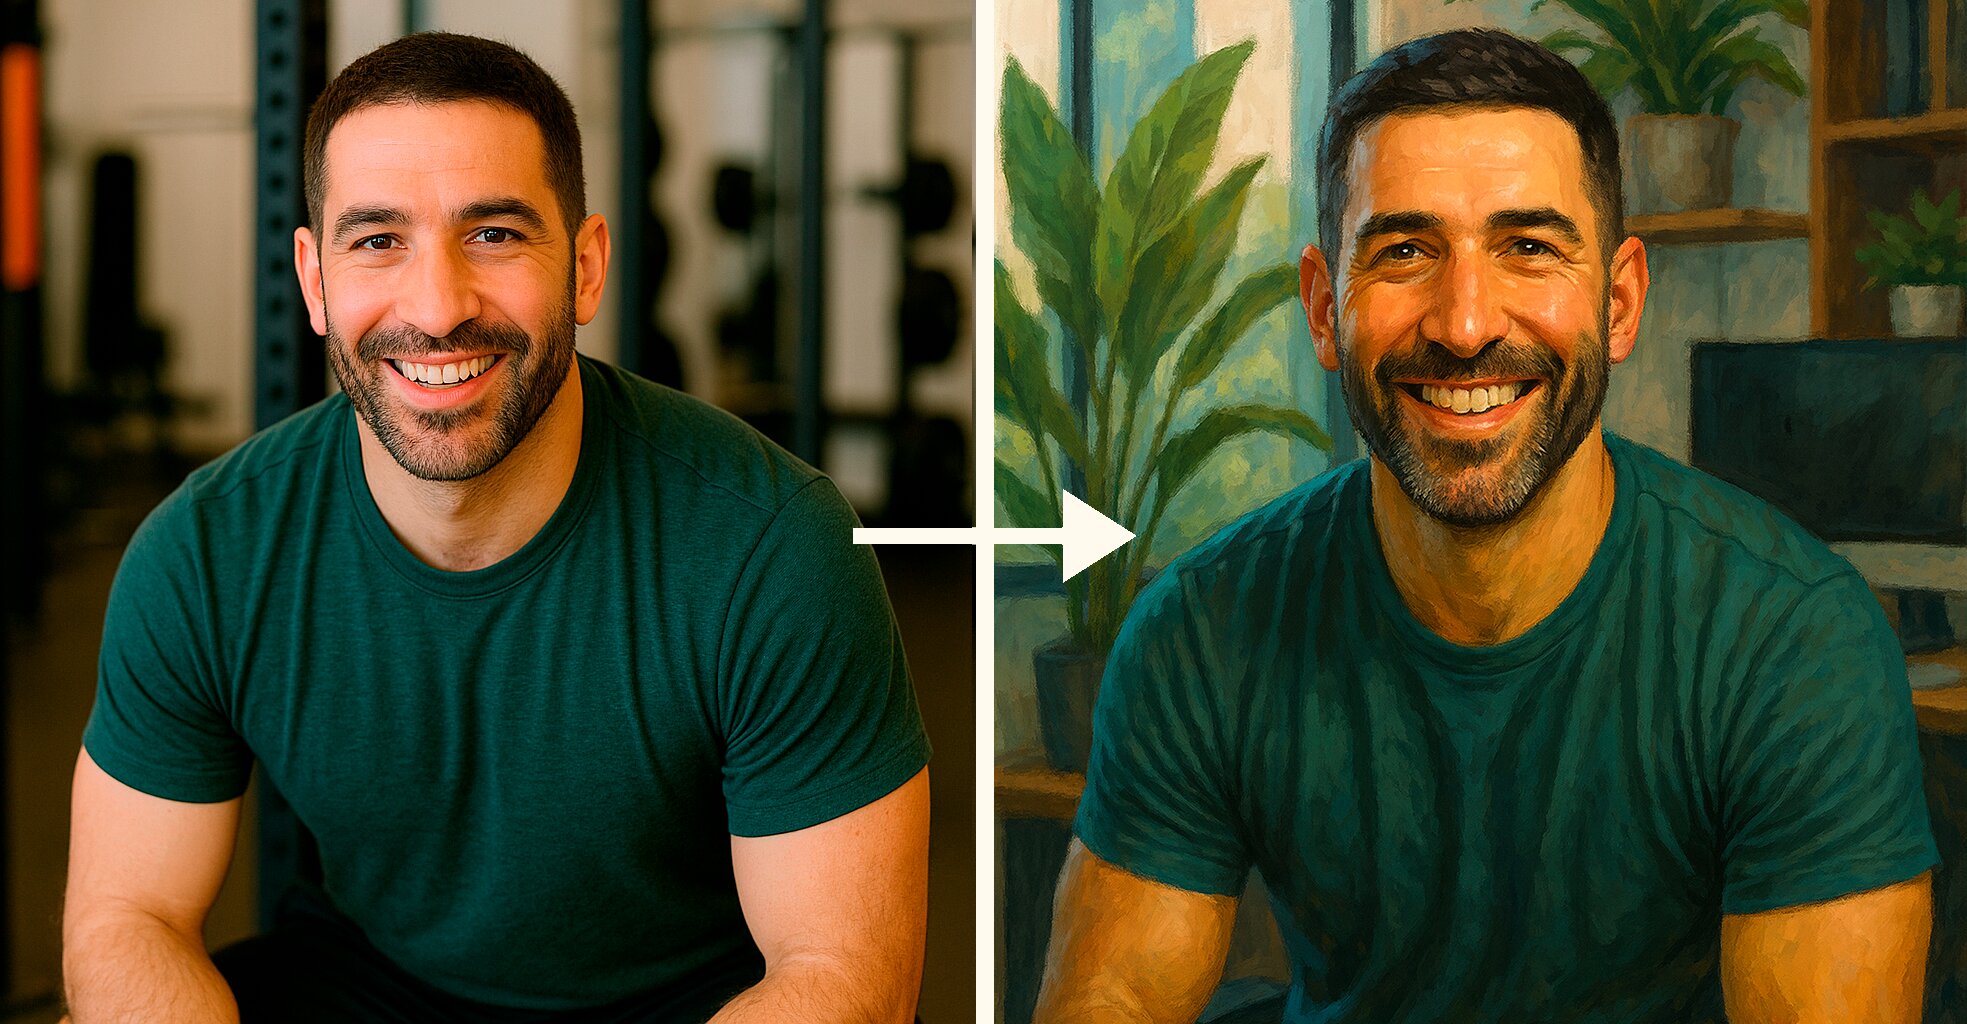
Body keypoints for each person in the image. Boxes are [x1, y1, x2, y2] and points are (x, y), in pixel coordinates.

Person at [1034, 28, 1936, 1024]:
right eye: (1405, 251)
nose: (1465, 324)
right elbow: (1111, 996)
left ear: (1619, 299)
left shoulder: (1791, 641)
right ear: (1324, 310)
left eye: (1528, 248)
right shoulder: (1198, 630)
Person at [61, 32, 930, 1024]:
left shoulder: (772, 548)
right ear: (312, 281)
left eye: (495, 235)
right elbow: (127, 915)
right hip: (366, 991)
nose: (436, 309)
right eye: (377, 239)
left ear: (588, 266)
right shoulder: (206, 553)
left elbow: (840, 977)